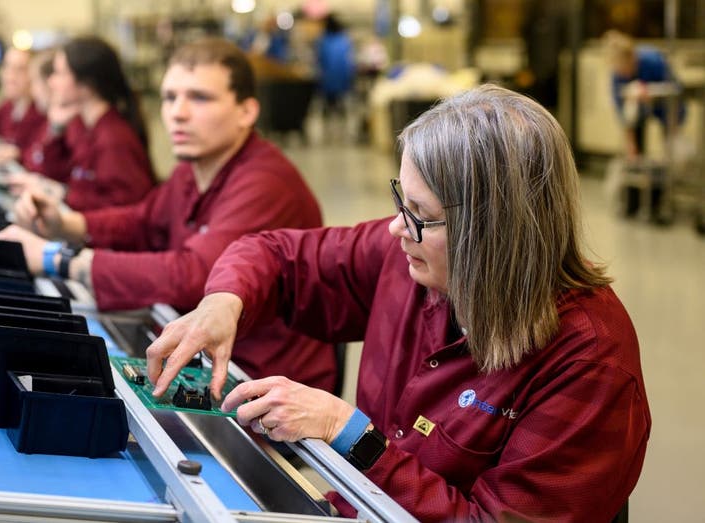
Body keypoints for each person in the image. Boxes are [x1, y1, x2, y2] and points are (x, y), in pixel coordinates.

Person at [145, 85, 650, 521]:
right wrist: (223, 299)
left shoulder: (589, 365)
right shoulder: (409, 258)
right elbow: (276, 255)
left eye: (420, 215)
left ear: (494, 235)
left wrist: (353, 437)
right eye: (400, 201)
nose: (394, 228)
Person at [0, 38, 336, 392]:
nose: (178, 112)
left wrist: (59, 259)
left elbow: (192, 274)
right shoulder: (194, 169)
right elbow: (143, 220)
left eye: (199, 98)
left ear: (246, 112)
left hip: (258, 385)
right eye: (170, 97)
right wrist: (68, 224)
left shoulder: (265, 183)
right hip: (204, 357)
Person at [8, 36, 155, 212]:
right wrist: (55, 131)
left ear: (86, 84)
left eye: (60, 73)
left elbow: (126, 211)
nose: (51, 82)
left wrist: (61, 193)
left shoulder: (113, 140)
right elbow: (61, 175)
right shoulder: (85, 127)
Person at [604, 29, 685, 219]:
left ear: (632, 58)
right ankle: (635, 200)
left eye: (625, 69)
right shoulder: (617, 75)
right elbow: (623, 114)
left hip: (666, 109)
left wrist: (651, 93)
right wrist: (631, 145)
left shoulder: (653, 61)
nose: (623, 73)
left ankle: (661, 200)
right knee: (634, 156)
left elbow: (676, 92)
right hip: (638, 112)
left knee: (669, 152)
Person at [0, 47, 47, 169]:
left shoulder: (43, 113)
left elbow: (45, 159)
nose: (10, 76)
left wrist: (18, 154)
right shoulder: (9, 106)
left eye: (20, 69)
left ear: (34, 75)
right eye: (7, 66)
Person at [315, 13, 355, 117]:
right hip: (343, 81)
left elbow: (320, 62)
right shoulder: (344, 40)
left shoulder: (323, 41)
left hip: (328, 82)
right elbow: (349, 62)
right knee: (342, 108)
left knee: (328, 108)